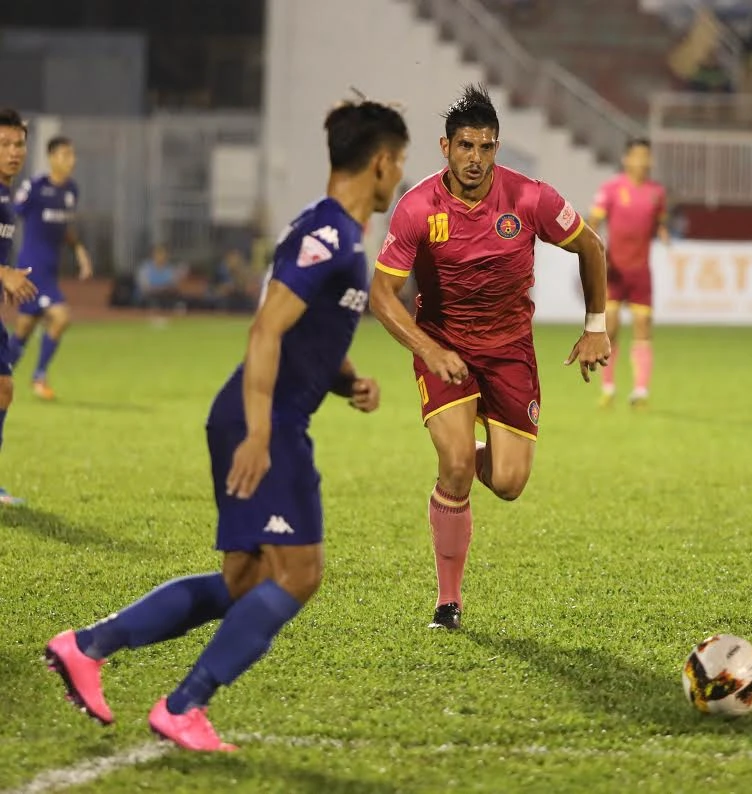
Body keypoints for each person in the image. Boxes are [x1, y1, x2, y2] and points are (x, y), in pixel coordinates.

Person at [44, 99, 409, 752]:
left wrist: (348, 380)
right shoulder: (328, 234)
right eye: (400, 161)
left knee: (244, 582)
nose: (401, 175)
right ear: (380, 162)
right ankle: (183, 705)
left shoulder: (334, 233)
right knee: (299, 574)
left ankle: (87, 646)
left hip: (255, 413)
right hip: (265, 420)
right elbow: (265, 328)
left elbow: (306, 334)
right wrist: (261, 433)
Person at [369, 85, 610, 631]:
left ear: (496, 148)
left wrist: (595, 327)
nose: (475, 158)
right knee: (456, 466)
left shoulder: (530, 198)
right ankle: (448, 602)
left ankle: (468, 451)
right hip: (445, 347)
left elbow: (591, 247)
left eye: (485, 147)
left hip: (509, 351)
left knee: (508, 483)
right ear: (445, 147)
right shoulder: (418, 208)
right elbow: (382, 295)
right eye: (465, 146)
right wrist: (429, 349)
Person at [10, 135, 93, 401]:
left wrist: (79, 250)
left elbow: (63, 228)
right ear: (51, 158)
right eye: (66, 155)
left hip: (50, 269)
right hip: (32, 268)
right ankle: (39, 377)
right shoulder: (35, 187)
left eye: (73, 155)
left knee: (24, 329)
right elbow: (10, 212)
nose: (72, 160)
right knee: (61, 317)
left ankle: (3, 373)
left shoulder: (71, 191)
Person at [588, 138, 668, 409]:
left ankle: (641, 391)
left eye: (646, 156)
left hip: (641, 272)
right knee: (611, 328)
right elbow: (594, 222)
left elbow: (659, 220)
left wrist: (663, 232)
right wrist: (597, 252)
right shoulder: (611, 189)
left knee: (643, 328)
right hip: (615, 270)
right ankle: (608, 388)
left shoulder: (657, 192)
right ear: (626, 159)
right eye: (637, 156)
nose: (642, 161)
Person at [0, 109, 40, 504]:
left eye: (19, 144)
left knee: (3, 388)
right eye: (4, 144)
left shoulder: (6, 195)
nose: (14, 151)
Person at [135, 244, 187, 308]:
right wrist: (161, 289)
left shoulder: (170, 269)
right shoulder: (145, 268)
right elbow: (145, 288)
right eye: (158, 253)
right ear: (153, 255)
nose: (161, 256)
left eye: (163, 254)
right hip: (149, 297)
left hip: (166, 297)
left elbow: (174, 285)